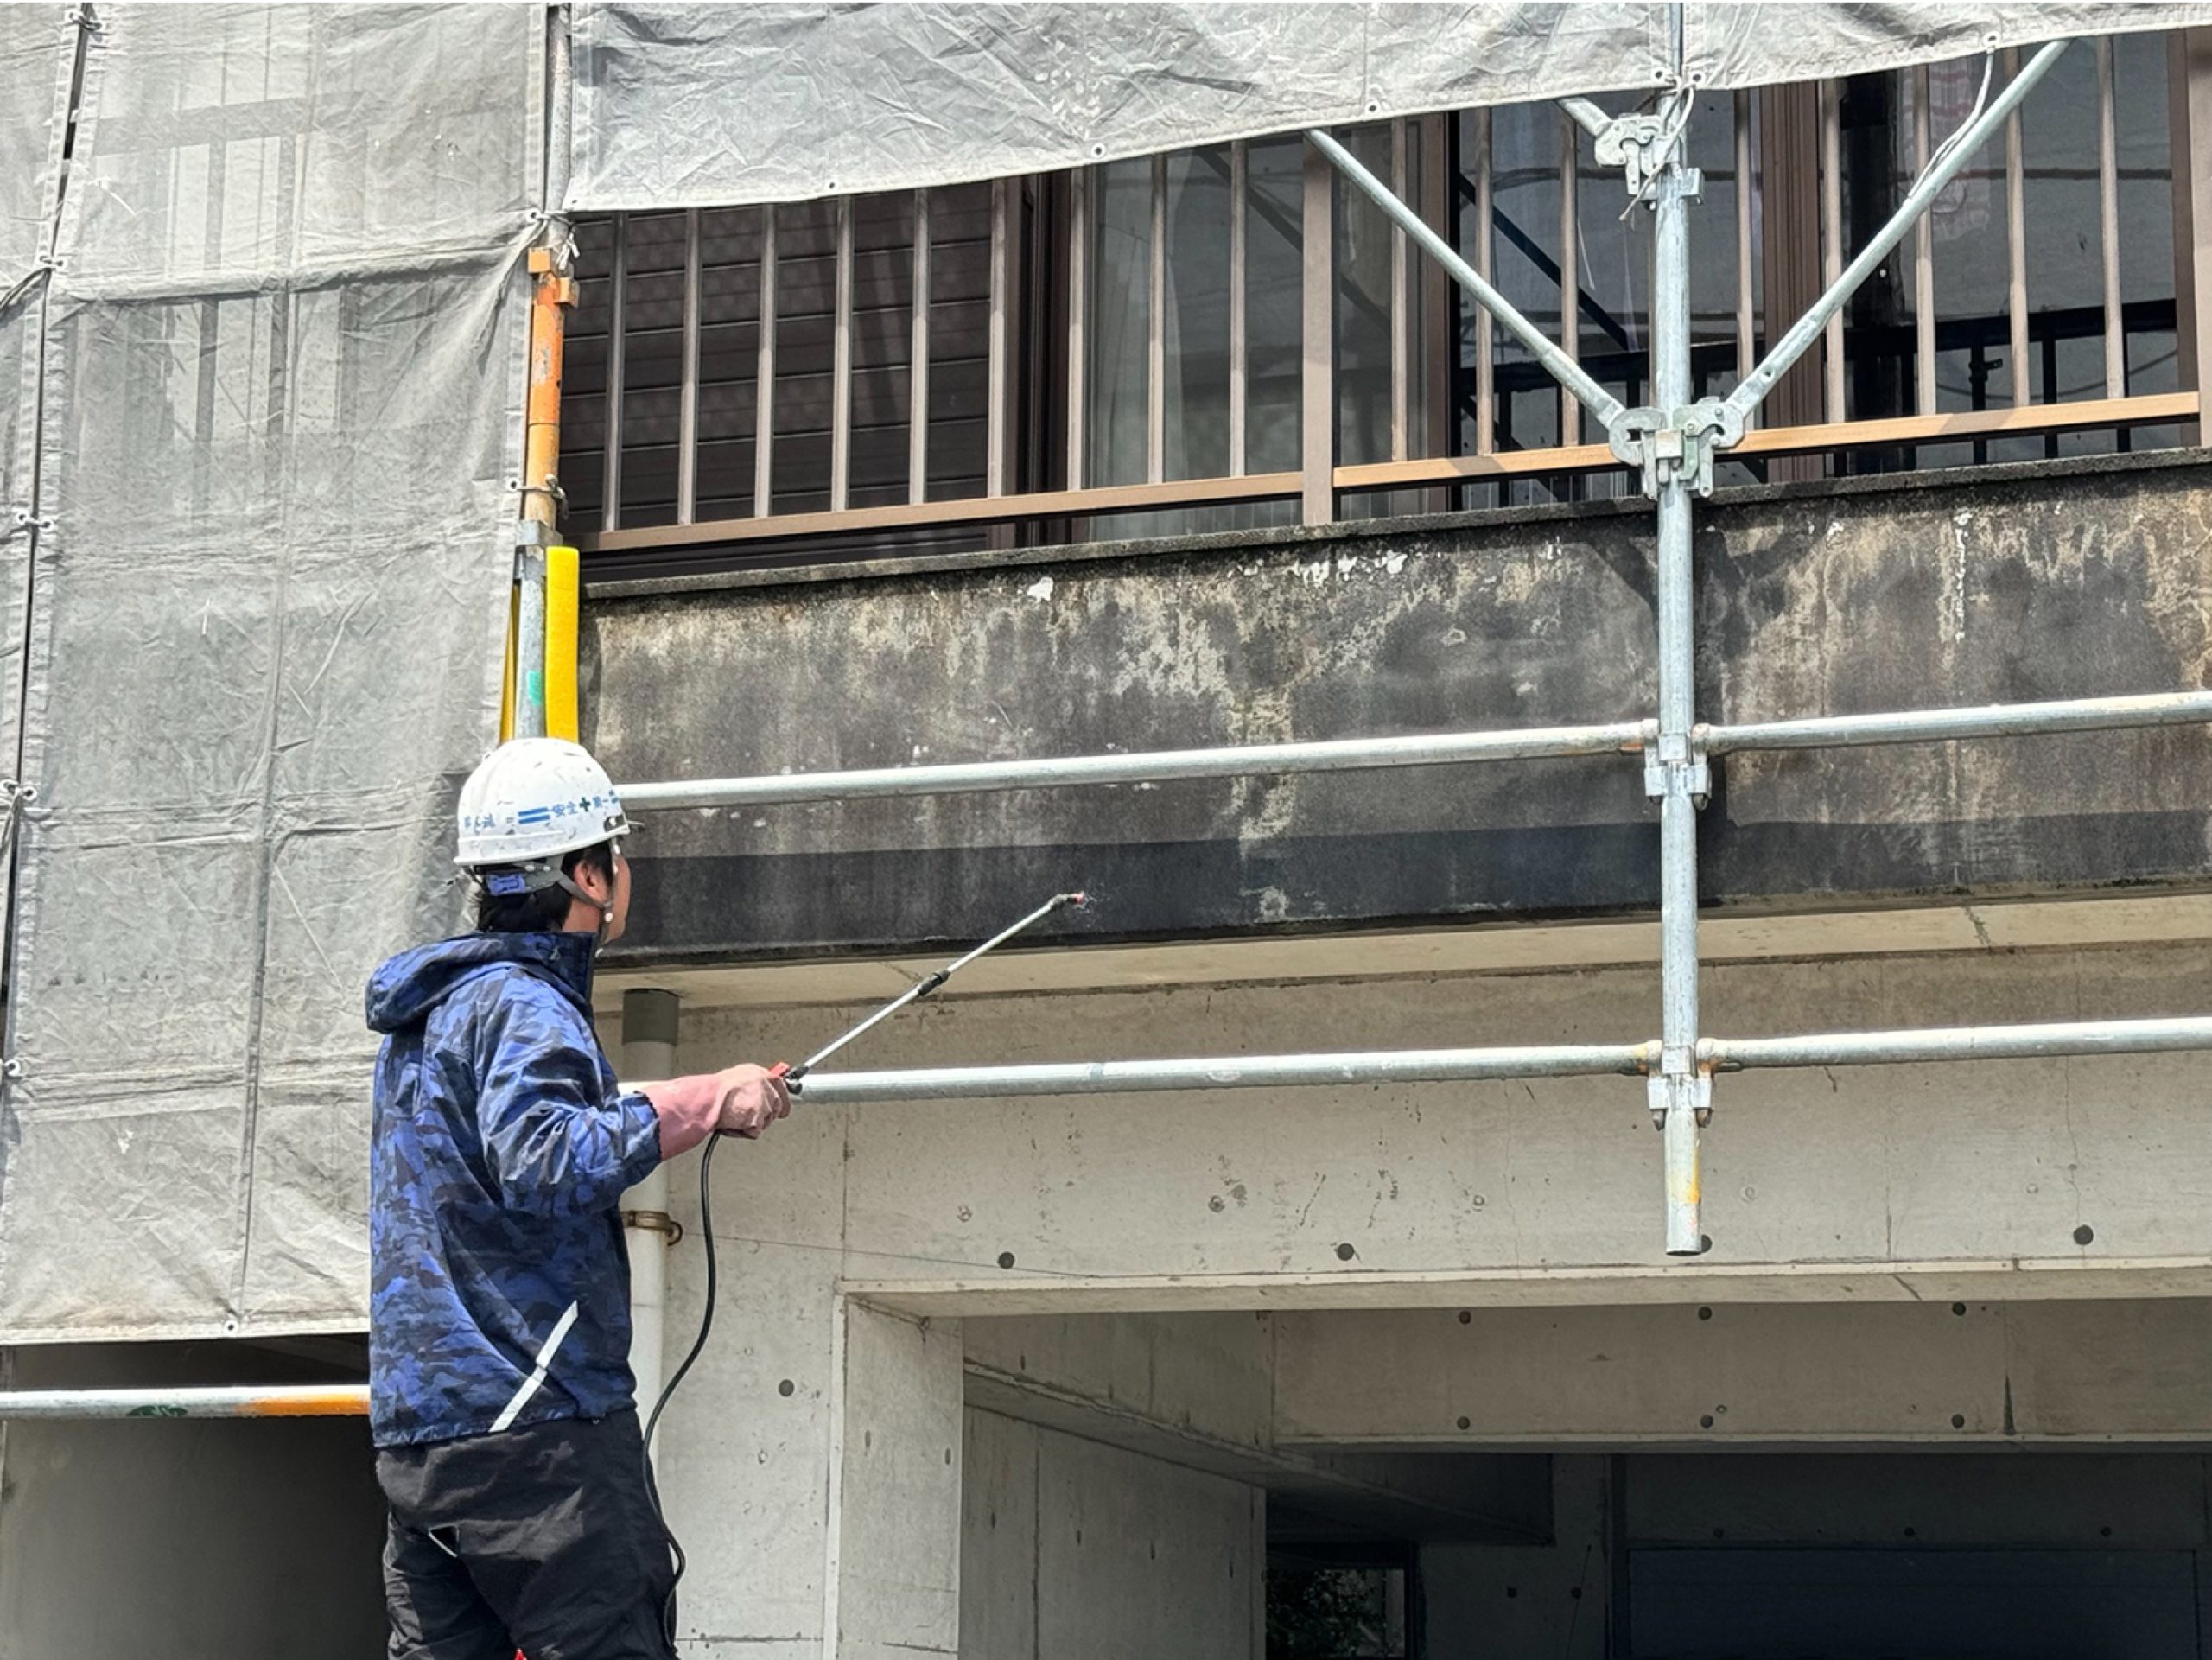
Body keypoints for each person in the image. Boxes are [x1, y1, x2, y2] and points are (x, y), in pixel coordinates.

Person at [365, 736, 790, 1659]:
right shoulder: (525, 1004)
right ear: (586, 875)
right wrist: (708, 1096)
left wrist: (679, 1101)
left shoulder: (431, 1018)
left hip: (422, 1445)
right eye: (618, 852)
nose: (625, 872)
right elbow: (546, 1155)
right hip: (540, 1444)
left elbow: (516, 1147)